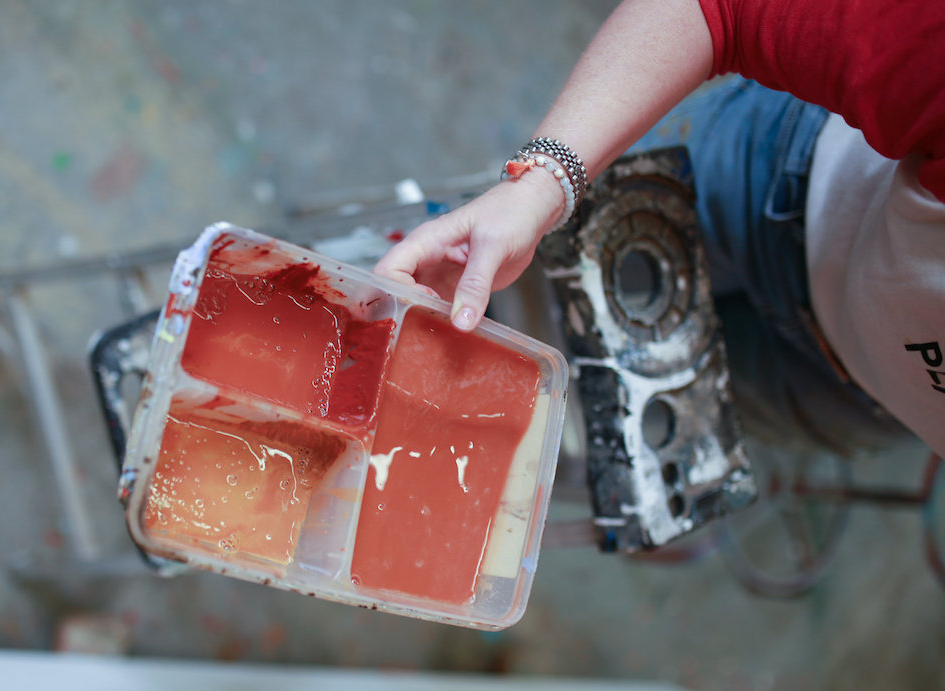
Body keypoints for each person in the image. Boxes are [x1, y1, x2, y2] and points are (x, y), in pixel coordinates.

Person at [374, 0, 945, 458]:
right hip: (770, 183)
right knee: (496, 276)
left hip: (844, 386)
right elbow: (719, 12)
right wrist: (540, 185)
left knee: (563, 413)